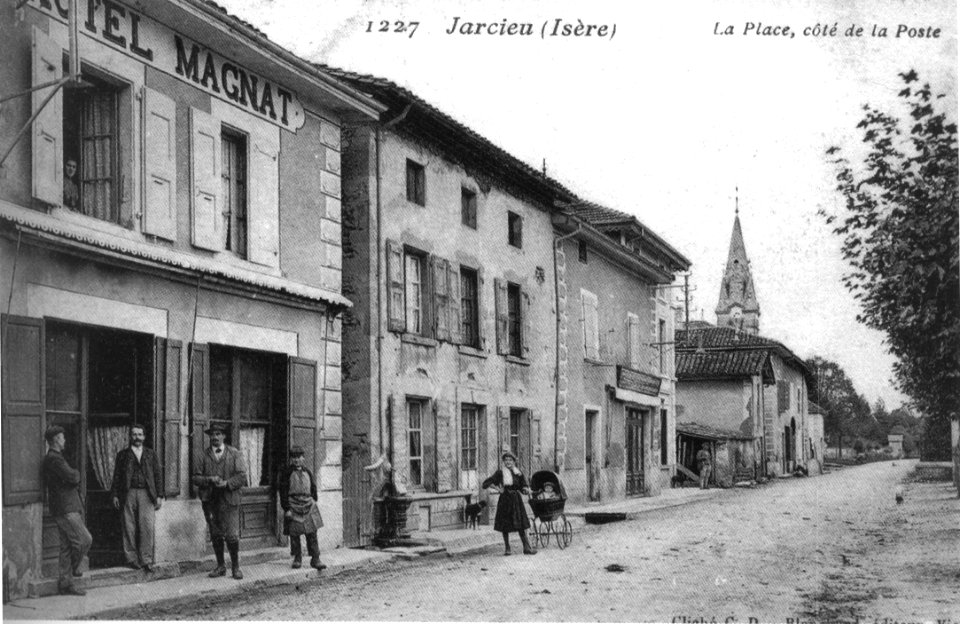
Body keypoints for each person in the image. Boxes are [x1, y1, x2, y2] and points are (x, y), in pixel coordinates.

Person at [192, 423, 247, 580]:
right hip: (210, 501)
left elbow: (242, 476)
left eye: (218, 434)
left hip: (229, 500)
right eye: (212, 434)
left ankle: (235, 567)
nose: (215, 437)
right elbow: (195, 478)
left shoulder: (235, 454)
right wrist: (209, 479)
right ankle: (220, 566)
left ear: (224, 436)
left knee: (232, 536)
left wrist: (227, 483)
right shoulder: (202, 455)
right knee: (216, 535)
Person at [42, 425, 92, 596]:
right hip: (66, 509)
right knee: (84, 540)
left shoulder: (55, 458)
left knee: (65, 547)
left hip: (64, 507)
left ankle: (65, 584)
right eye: (62, 438)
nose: (65, 440)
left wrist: (73, 475)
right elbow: (73, 477)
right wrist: (77, 473)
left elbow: (70, 478)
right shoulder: (54, 459)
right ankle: (71, 572)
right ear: (56, 439)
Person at [110, 424, 163, 572]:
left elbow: (158, 476)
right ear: (130, 437)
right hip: (128, 493)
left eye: (140, 434)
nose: (137, 437)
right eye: (134, 434)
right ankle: (132, 559)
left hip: (146, 494)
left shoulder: (151, 454)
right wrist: (115, 494)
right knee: (129, 526)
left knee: (147, 527)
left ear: (144, 437)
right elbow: (117, 476)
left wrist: (159, 495)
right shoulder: (123, 455)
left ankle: (146, 559)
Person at [277, 447, 326, 571]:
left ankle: (315, 559)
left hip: (308, 504)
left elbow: (313, 488)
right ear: (291, 459)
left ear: (303, 458)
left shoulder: (308, 472)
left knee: (312, 533)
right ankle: (297, 558)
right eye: (294, 458)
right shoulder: (286, 473)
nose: (297, 460)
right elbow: (282, 492)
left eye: (299, 457)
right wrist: (286, 508)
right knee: (295, 534)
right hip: (293, 505)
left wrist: (314, 500)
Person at [481, 451, 537, 556]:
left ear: (514, 461)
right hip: (505, 500)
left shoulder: (518, 473)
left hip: (516, 500)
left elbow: (523, 486)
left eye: (510, 460)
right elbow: (486, 483)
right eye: (506, 460)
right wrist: (498, 488)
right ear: (503, 462)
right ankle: (507, 548)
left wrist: (526, 490)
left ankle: (526, 548)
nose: (508, 462)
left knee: (521, 524)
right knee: (505, 524)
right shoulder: (500, 473)